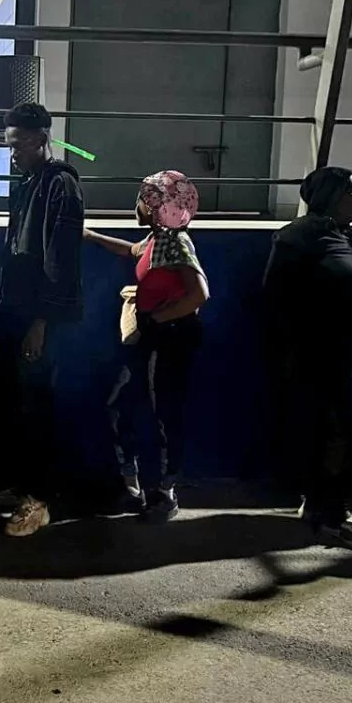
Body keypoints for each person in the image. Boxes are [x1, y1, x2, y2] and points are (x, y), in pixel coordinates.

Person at [263, 167, 352, 552]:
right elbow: (281, 297)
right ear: (330, 196)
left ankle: (320, 505)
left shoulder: (331, 235)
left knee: (330, 435)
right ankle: (335, 519)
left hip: (337, 355)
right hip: (323, 357)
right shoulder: (304, 237)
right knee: (338, 436)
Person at [84, 171, 209, 522]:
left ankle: (164, 493)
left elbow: (199, 293)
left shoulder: (174, 243)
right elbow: (132, 250)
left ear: (157, 207)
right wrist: (92, 236)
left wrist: (158, 318)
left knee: (162, 413)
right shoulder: (158, 239)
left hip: (167, 340)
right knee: (123, 405)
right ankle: (134, 484)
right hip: (154, 338)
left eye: (143, 199)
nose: (137, 205)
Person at [0, 103, 85, 537]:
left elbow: (60, 261)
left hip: (43, 319)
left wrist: (41, 322)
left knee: (38, 411)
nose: (12, 155)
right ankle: (27, 490)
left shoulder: (60, 185)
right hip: (26, 313)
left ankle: (39, 500)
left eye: (18, 146)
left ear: (40, 140)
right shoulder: (32, 182)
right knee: (23, 407)